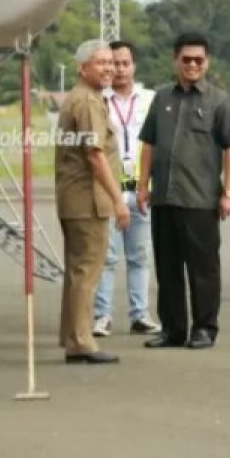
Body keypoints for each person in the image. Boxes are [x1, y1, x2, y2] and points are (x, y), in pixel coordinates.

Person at [137, 33, 230, 350]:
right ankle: (172, 329)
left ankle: (204, 328)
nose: (192, 65)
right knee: (167, 268)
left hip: (200, 200)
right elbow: (150, 143)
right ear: (176, 61)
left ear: (207, 62)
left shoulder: (219, 102)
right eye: (186, 59)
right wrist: (143, 186)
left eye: (198, 60)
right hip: (164, 199)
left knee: (203, 269)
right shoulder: (162, 99)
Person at [55, 39, 130, 365]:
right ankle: (82, 341)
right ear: (82, 67)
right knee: (87, 271)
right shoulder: (87, 103)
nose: (109, 68)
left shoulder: (85, 99)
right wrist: (119, 199)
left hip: (78, 198)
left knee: (78, 271)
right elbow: (95, 156)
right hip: (87, 200)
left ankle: (74, 337)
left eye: (111, 63)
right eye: (100, 63)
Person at [92, 40, 161, 338]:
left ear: (134, 66)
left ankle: (140, 314)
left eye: (125, 63)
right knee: (106, 256)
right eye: (113, 63)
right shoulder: (97, 100)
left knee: (140, 256)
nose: (119, 69)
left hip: (141, 187)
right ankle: (102, 315)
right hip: (110, 187)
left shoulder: (151, 99)